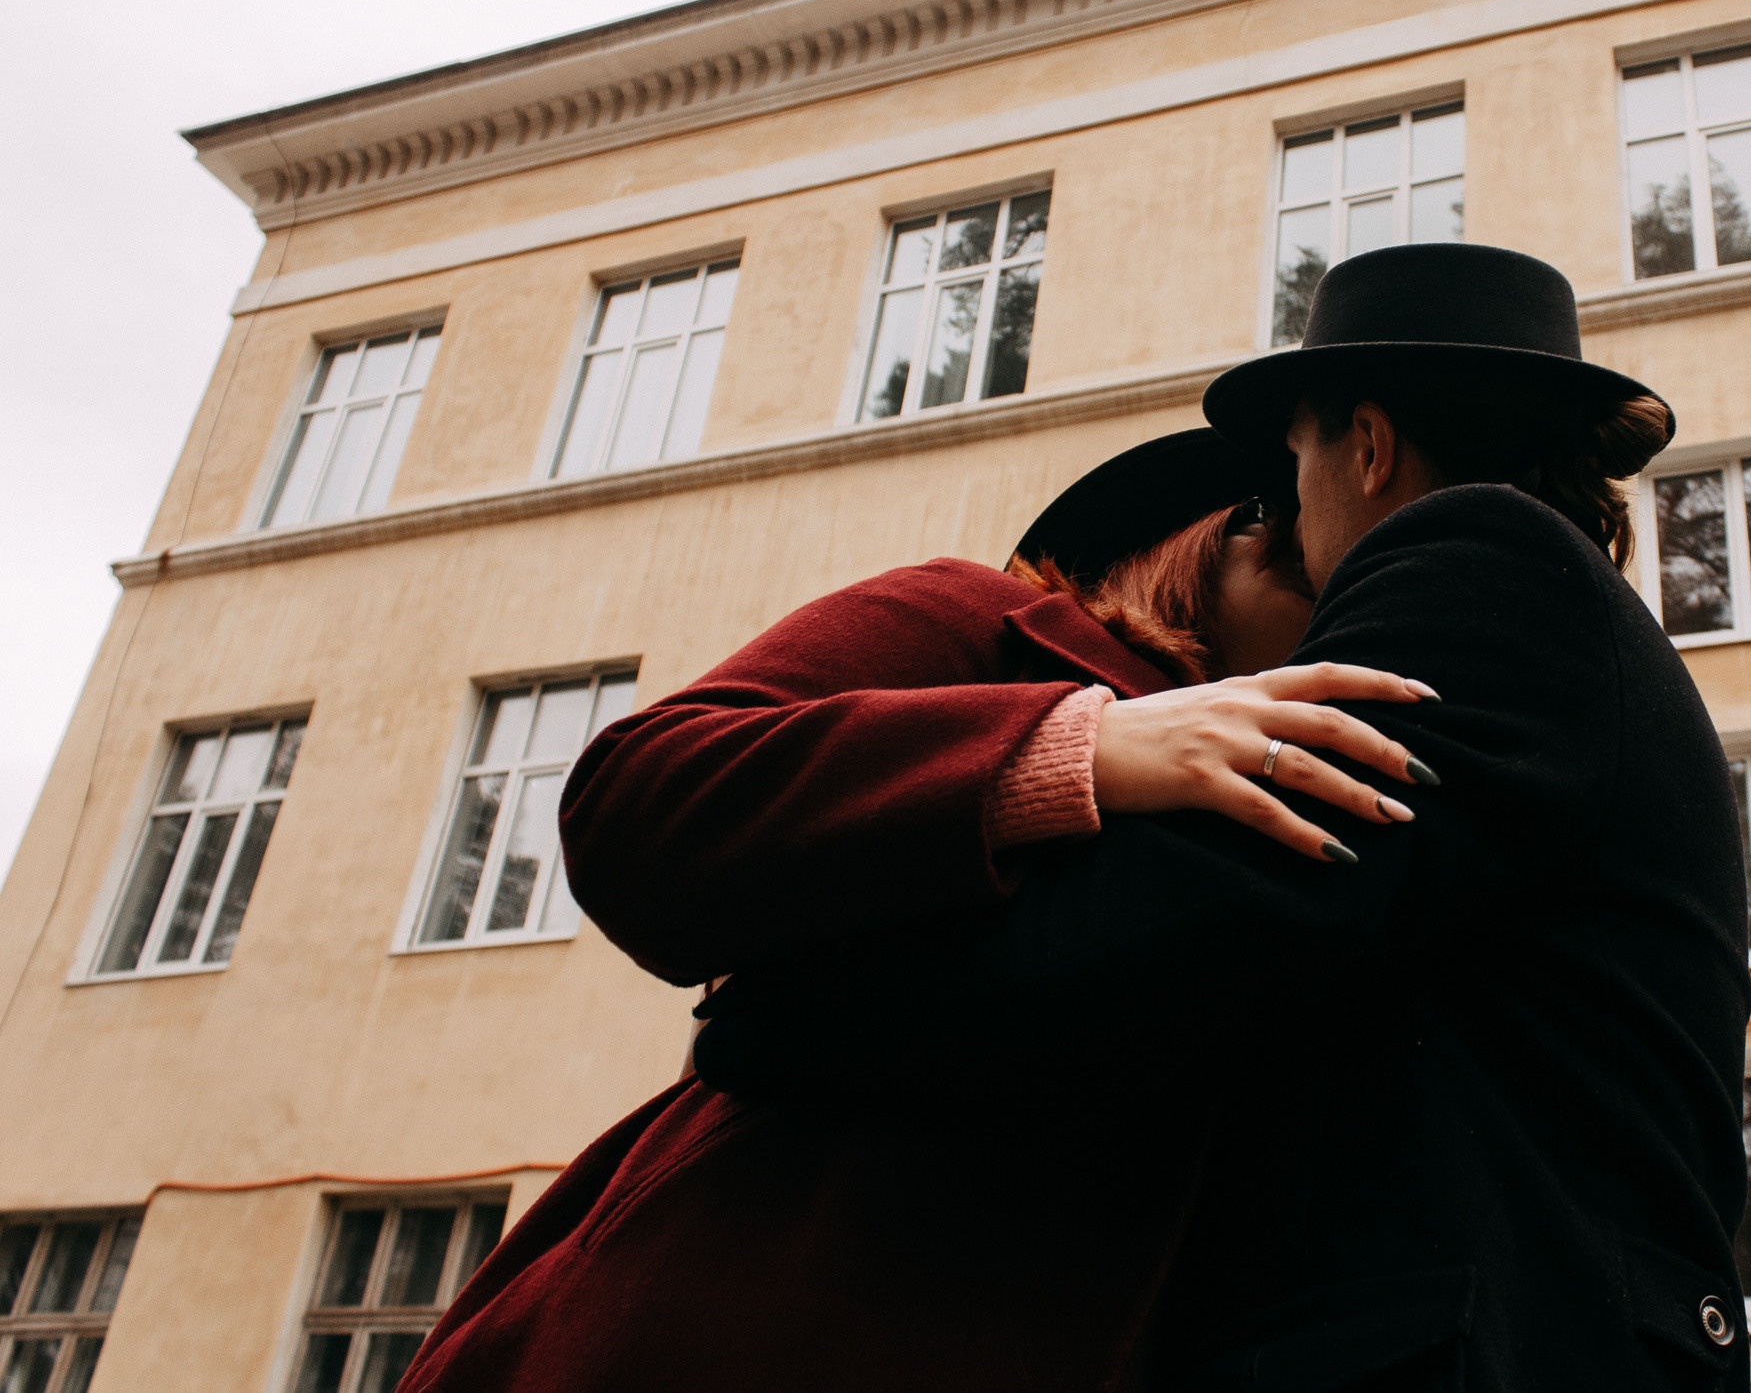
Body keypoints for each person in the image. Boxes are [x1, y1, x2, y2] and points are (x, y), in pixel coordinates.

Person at [697, 243, 1751, 1392]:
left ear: (1367, 445)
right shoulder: (1576, 633)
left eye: (1294, 462)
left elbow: (1171, 923)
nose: (1292, 515)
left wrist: (777, 1015)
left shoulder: (1476, 563)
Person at [396, 429, 1434, 1393]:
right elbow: (637, 801)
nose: (1309, 544)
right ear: (1191, 541)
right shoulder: (984, 618)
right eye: (1269, 518)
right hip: (739, 1305)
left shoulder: (1359, 805)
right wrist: (1082, 747)